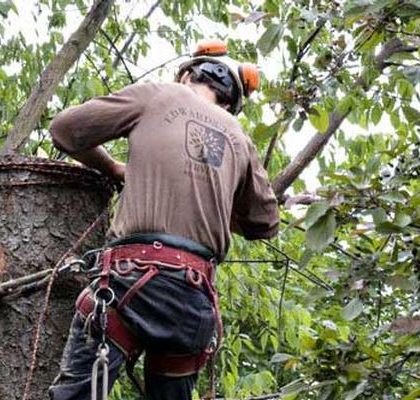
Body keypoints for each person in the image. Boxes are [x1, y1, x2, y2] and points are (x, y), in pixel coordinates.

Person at [47, 40, 280, 400]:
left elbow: (65, 130)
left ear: (187, 75)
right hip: (191, 298)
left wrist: (112, 167)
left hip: (127, 282)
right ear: (231, 102)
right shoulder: (239, 137)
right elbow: (265, 224)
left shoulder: (160, 95)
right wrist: (217, 204)